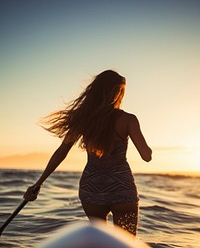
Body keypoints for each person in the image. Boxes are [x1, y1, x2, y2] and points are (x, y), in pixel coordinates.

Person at [24, 70, 152, 236]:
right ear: (118, 92)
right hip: (122, 190)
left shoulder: (84, 119)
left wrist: (39, 183)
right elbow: (146, 156)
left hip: (92, 190)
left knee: (101, 244)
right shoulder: (128, 119)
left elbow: (61, 152)